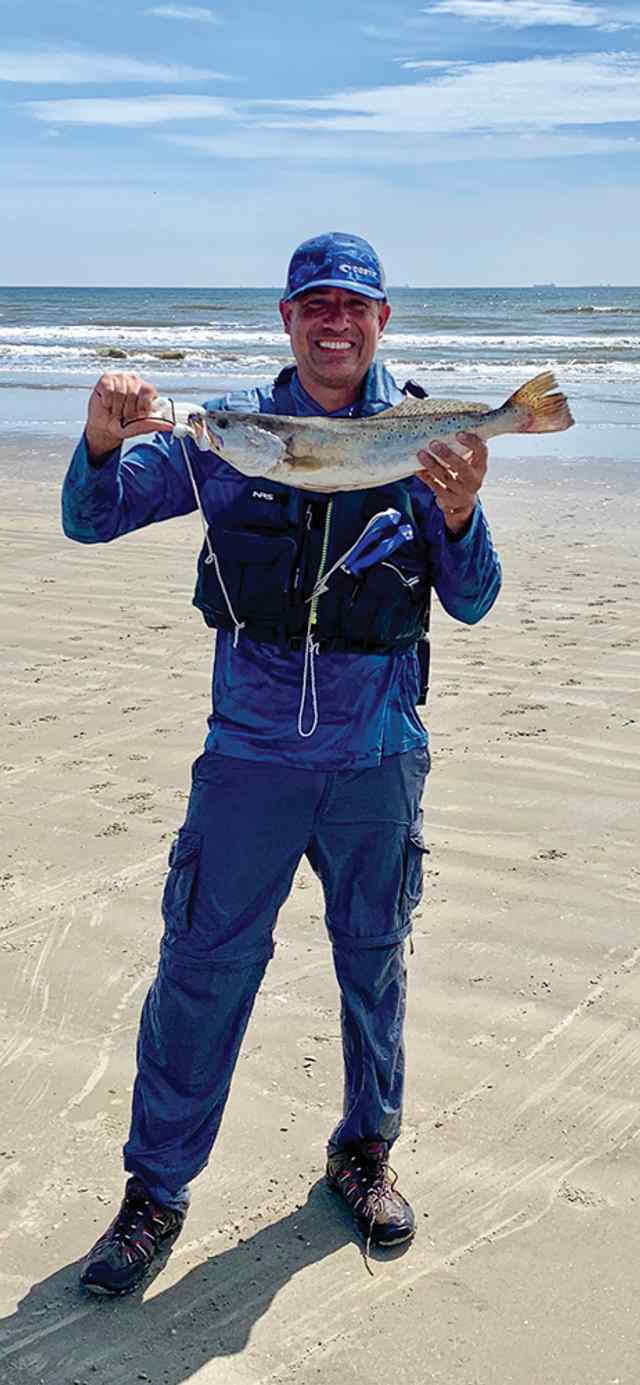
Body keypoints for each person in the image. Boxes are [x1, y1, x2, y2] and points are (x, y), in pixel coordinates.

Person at [62, 231, 501, 1295]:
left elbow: (474, 595)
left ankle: (365, 1150)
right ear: (287, 318)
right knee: (202, 970)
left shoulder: (421, 434)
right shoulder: (228, 432)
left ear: (382, 321)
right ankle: (154, 1190)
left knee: (374, 958)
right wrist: (101, 438)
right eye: (315, 305)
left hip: (379, 750)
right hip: (250, 752)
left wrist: (458, 509)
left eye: (354, 306)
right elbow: (90, 517)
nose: (334, 322)